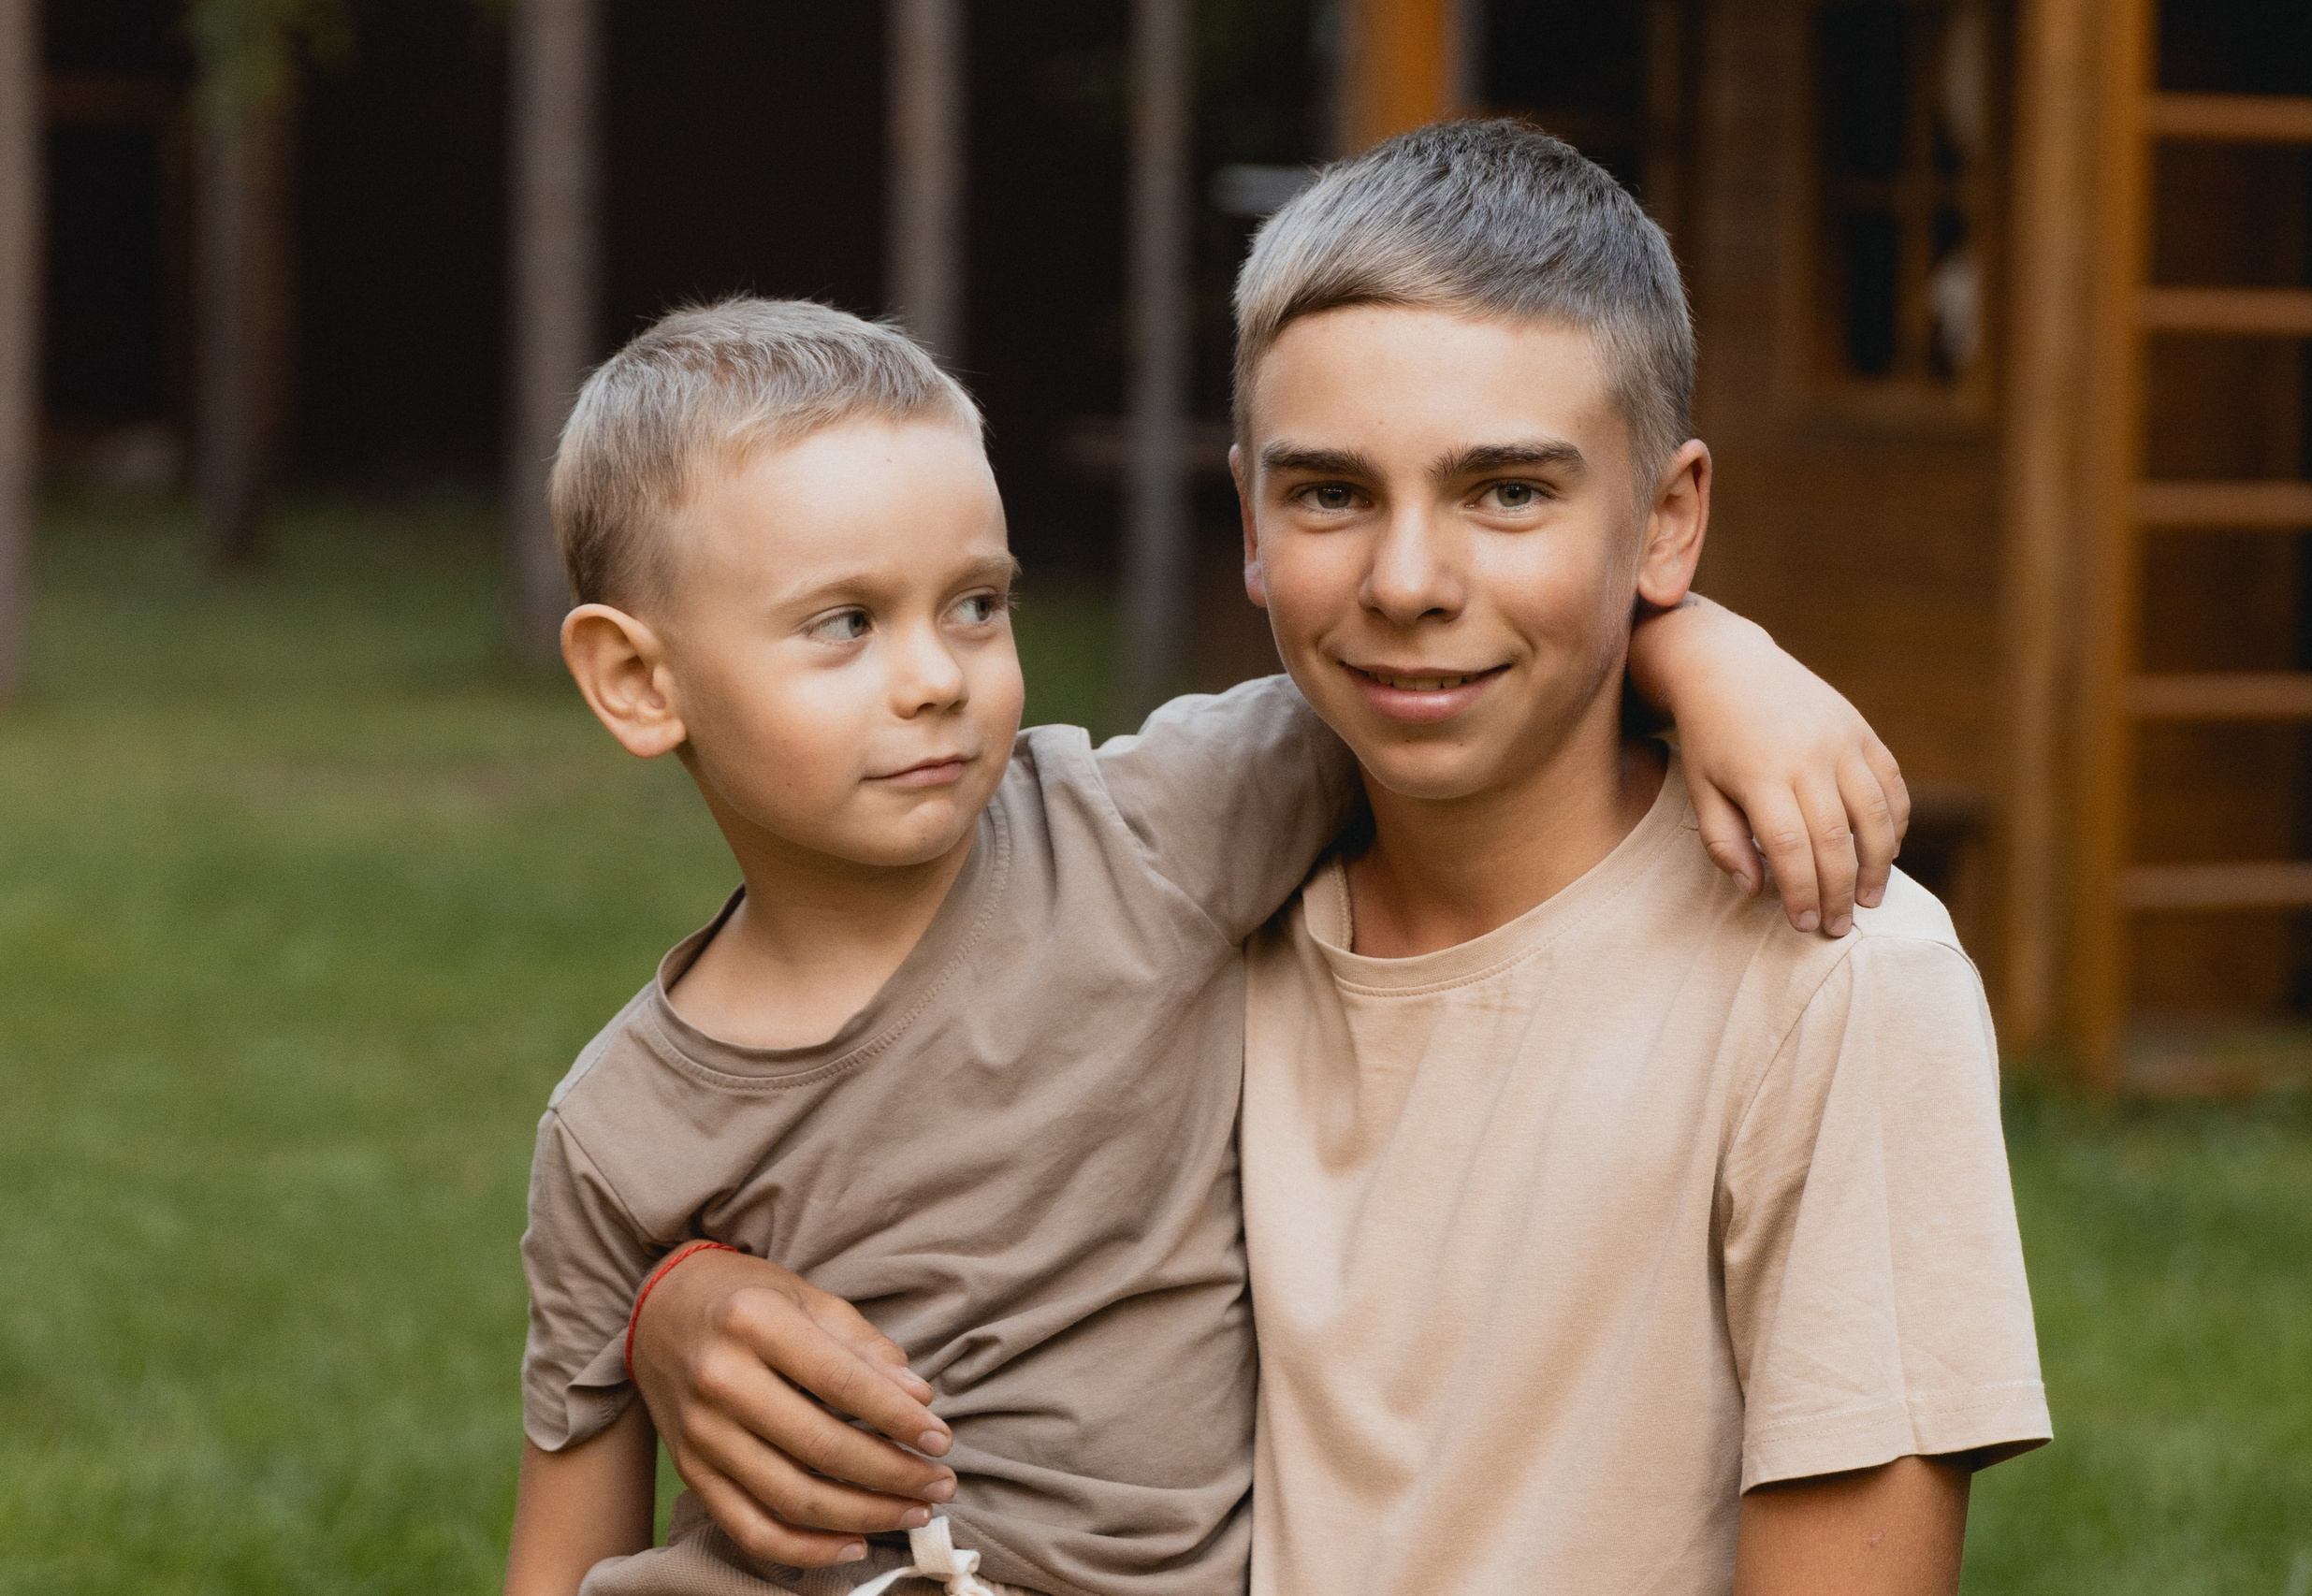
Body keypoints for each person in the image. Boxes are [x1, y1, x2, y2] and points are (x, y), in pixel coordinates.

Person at [502, 294, 1912, 1596]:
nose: (935, 677)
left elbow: (1453, 680)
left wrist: (1702, 653)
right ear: (637, 680)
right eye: (844, 624)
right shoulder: (616, 1132)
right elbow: (564, 1548)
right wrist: (665, 1300)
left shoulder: (1142, 835)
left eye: (976, 605)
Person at [1226, 122, 2049, 1594]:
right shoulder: (1186, 904)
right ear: (1250, 515)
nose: (1407, 582)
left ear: (1668, 520)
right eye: (1332, 492)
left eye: (1508, 490)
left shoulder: (1839, 977)